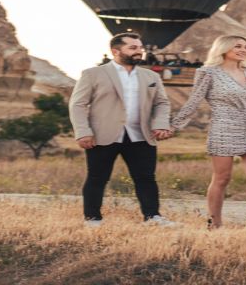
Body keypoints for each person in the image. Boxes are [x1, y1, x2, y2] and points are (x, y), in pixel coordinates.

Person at [69, 32, 175, 226]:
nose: (139, 52)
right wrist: (83, 131)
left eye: (140, 48)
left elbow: (162, 103)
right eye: (133, 48)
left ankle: (153, 217)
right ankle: (92, 219)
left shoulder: (150, 76)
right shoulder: (93, 74)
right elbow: (77, 104)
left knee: (146, 178)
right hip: (102, 135)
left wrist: (160, 123)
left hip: (140, 135)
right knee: (97, 177)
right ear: (115, 51)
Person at [171, 35, 246, 228]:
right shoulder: (208, 72)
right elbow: (194, 100)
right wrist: (175, 125)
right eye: (237, 46)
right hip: (224, 125)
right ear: (224, 48)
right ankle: (215, 222)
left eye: (245, 46)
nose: (243, 49)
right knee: (222, 178)